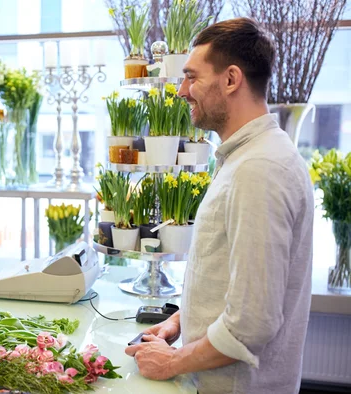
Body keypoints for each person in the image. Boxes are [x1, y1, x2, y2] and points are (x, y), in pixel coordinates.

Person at [125, 18, 314, 394]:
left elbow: (252, 323)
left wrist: (172, 361)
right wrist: (182, 320)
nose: (181, 91)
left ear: (231, 79)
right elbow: (240, 280)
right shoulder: (246, 158)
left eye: (192, 77)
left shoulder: (260, 169)